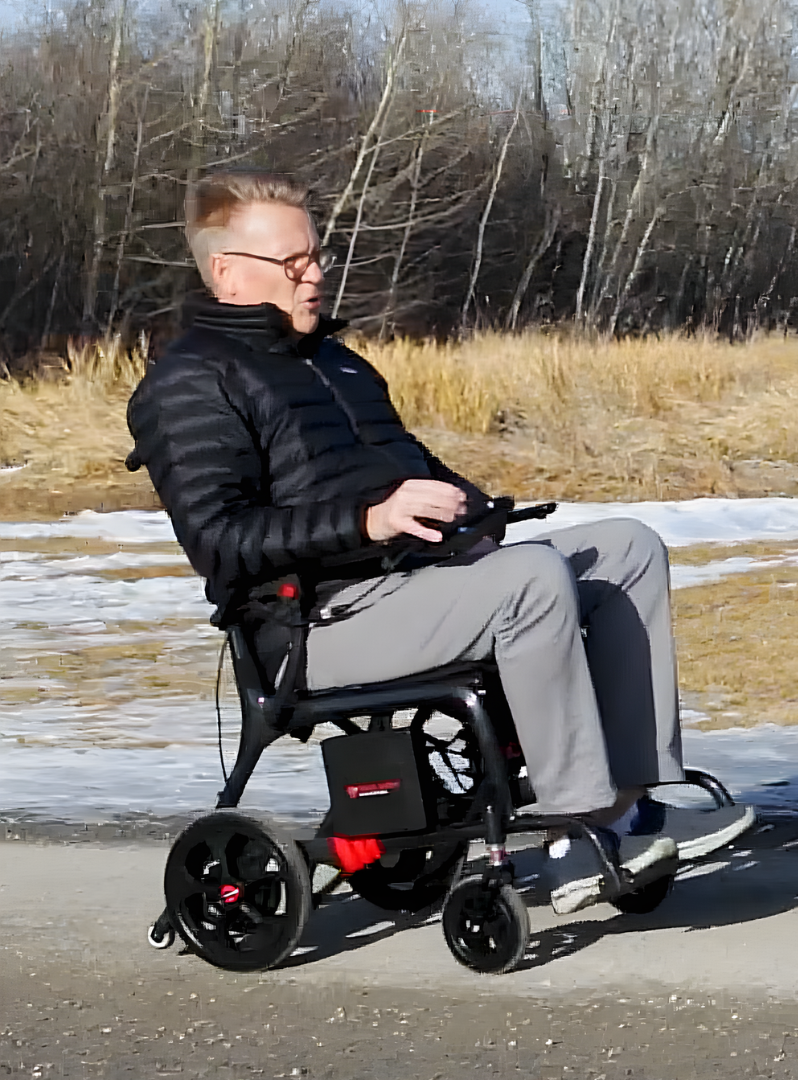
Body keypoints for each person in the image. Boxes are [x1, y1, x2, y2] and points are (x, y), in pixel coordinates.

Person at [126, 171, 694, 914]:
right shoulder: (189, 385)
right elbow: (220, 541)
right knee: (528, 583)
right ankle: (575, 827)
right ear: (229, 273)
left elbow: (413, 470)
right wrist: (368, 521)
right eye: (293, 264)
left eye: (317, 257)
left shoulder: (337, 364)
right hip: (313, 624)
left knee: (625, 548)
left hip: (415, 581)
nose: (316, 275)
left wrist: (480, 515)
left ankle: (634, 797)